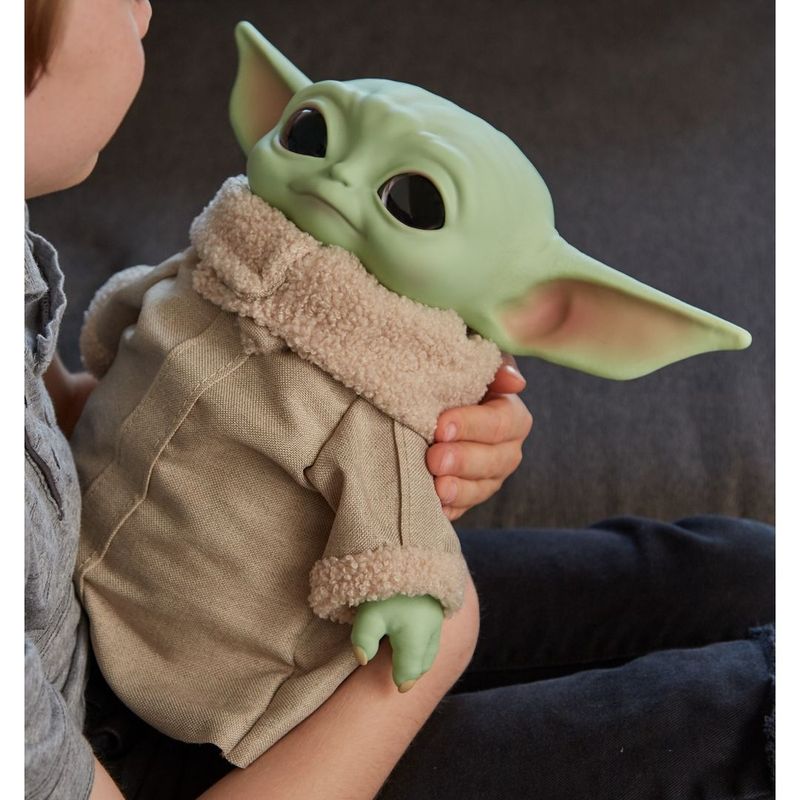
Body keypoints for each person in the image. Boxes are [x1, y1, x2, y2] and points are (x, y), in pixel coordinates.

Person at [24, 1, 775, 799]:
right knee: (751, 717)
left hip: (152, 577)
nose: (143, 8)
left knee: (743, 569)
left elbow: (76, 409)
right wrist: (437, 638)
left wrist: (417, 427)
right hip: (192, 733)